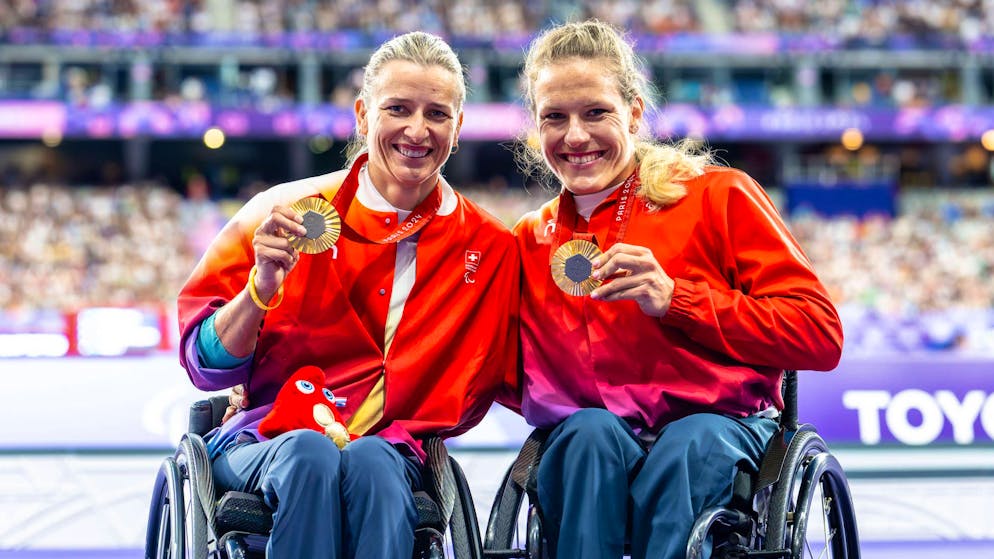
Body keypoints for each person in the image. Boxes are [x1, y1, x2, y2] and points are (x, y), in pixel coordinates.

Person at [506, 20, 844, 559]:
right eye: (555, 117)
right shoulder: (528, 240)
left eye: (596, 112)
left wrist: (678, 299)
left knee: (689, 445)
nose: (575, 136)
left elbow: (820, 335)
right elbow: (496, 369)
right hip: (596, 445)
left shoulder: (718, 197)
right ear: (536, 127)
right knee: (586, 434)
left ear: (635, 113)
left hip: (719, 433)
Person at [176, 31, 519, 558]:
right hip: (264, 440)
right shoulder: (283, 210)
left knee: (376, 462)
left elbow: (523, 373)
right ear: (362, 115)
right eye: (398, 108)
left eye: (437, 113)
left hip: (392, 452)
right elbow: (204, 362)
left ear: (459, 126)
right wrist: (258, 290)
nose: (417, 130)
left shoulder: (490, 248)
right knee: (311, 454)